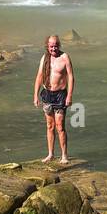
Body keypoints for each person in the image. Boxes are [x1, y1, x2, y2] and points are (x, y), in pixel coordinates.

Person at [33, 32, 74, 163]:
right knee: (50, 126)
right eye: (51, 46)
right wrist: (35, 95)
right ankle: (50, 154)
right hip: (47, 94)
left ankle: (64, 156)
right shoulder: (44, 58)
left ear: (59, 45)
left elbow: (71, 77)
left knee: (60, 127)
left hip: (60, 95)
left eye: (55, 46)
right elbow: (39, 76)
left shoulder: (65, 57)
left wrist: (69, 95)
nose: (53, 49)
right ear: (47, 46)